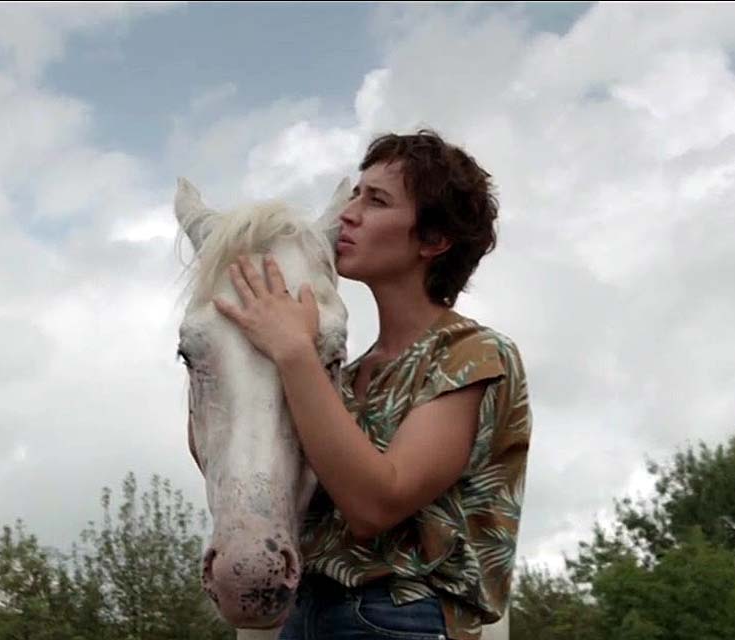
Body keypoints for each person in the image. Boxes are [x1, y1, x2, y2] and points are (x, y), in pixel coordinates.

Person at [213, 129, 532, 640]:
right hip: (302, 618)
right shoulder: (344, 372)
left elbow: (375, 504)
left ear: (434, 240)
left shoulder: (472, 354)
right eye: (356, 194)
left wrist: (293, 353)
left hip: (404, 617)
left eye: (377, 200)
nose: (348, 214)